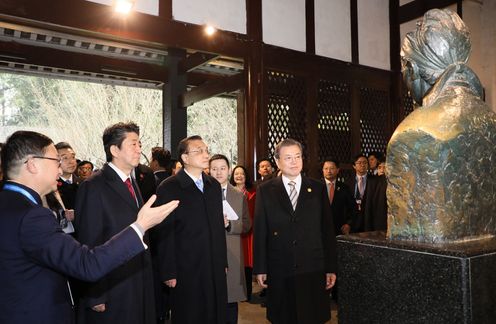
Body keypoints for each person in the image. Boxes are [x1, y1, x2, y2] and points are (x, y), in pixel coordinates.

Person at [0, 130, 178, 324]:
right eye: (56, 161)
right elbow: (87, 263)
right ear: (32, 164)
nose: (60, 170)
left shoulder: (10, 204)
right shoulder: (32, 216)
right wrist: (140, 226)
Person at [75, 122, 159, 324]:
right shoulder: (93, 186)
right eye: (133, 144)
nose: (140, 150)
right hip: (113, 285)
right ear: (114, 150)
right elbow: (89, 241)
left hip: (139, 278)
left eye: (140, 144)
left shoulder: (133, 182)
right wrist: (95, 294)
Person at [253, 138, 337, 324]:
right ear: (278, 161)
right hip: (279, 266)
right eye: (288, 157)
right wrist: (260, 267)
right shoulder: (266, 190)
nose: (294, 161)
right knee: (283, 315)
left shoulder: (317, 188)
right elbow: (261, 231)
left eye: (297, 157)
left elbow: (327, 231)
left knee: (311, 315)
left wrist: (331, 267)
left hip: (312, 267)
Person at [155, 135, 228, 323]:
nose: (206, 155)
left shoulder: (212, 185)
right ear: (185, 158)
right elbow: (164, 232)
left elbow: (218, 228)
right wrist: (168, 271)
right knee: (191, 313)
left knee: (216, 313)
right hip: (186, 266)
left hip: (213, 264)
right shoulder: (169, 187)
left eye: (206, 150)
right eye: (199, 151)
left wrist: (222, 261)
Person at [210, 154, 251, 324]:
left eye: (222, 168)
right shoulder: (203, 193)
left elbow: (247, 224)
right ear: (208, 171)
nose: (218, 172)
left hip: (232, 252)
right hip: (209, 252)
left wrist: (229, 225)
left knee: (230, 301)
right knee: (210, 300)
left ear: (228, 170)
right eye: (214, 169)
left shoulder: (239, 195)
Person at [230, 165, 256, 301]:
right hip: (233, 232)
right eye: (236, 174)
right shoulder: (229, 192)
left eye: (242, 174)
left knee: (248, 264)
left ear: (246, 177)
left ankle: (248, 293)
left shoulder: (253, 193)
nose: (239, 176)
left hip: (249, 233)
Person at [321, 158, 354, 236]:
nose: (329, 171)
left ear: (337, 170)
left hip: (339, 229)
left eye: (332, 168)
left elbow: (353, 208)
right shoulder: (316, 187)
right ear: (322, 170)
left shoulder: (344, 188)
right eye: (326, 168)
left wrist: (348, 224)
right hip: (320, 230)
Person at [347, 154, 376, 233]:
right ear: (354, 166)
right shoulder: (348, 182)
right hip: (354, 218)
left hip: (370, 217)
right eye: (359, 163)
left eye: (365, 162)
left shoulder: (374, 180)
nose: (362, 165)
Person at [55, 142, 81, 209]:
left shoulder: (84, 183)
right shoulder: (52, 188)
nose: (71, 161)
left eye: (73, 157)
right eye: (65, 158)